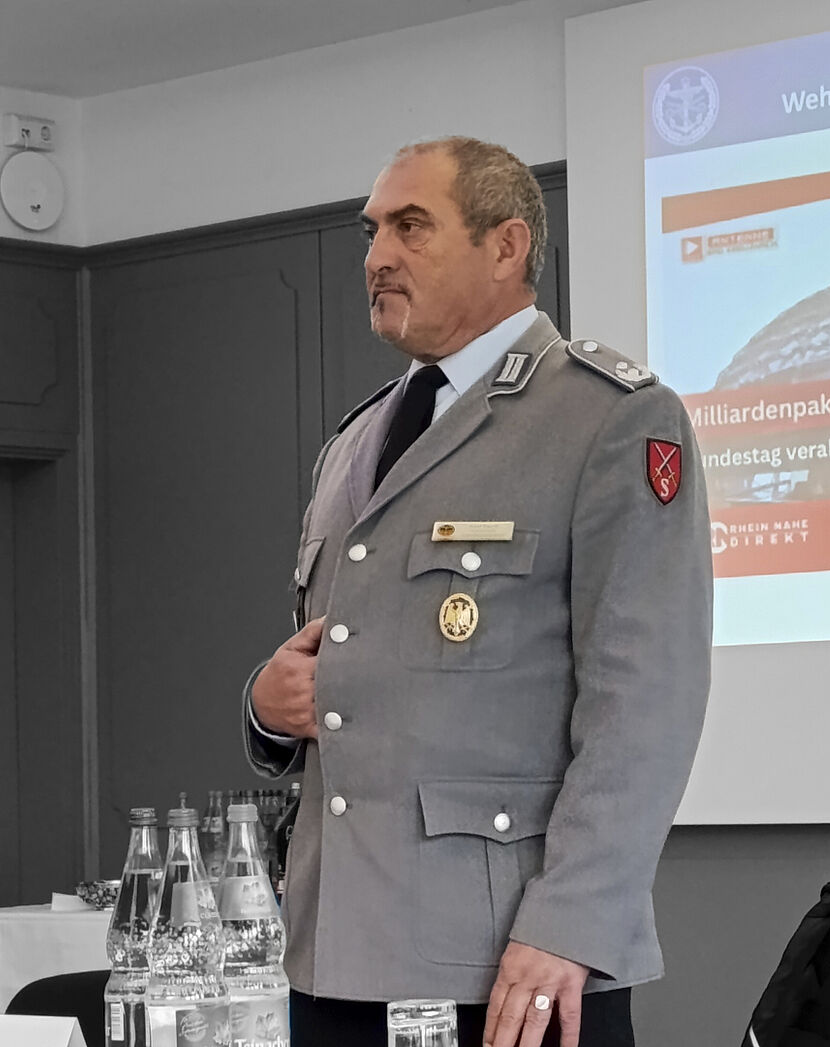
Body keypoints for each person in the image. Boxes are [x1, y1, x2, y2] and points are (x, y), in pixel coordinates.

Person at [242, 136, 712, 1047]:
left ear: (506, 247)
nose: (379, 256)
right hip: (334, 959)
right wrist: (267, 708)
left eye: (412, 227)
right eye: (373, 231)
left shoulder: (607, 418)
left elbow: (646, 708)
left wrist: (569, 925)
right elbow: (348, 672)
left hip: (509, 970)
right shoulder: (354, 441)